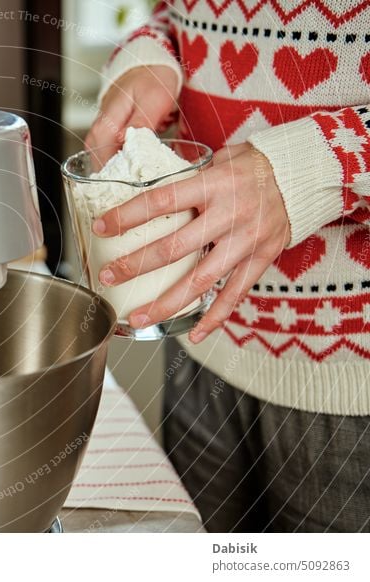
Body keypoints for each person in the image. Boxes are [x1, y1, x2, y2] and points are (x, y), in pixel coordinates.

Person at [85, 1, 370, 532]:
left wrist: (314, 168)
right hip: (202, 350)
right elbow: (179, 15)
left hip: (352, 389)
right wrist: (152, 53)